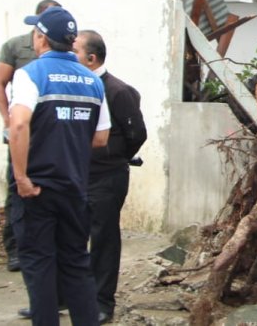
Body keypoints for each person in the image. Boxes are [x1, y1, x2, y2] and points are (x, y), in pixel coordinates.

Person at [9, 6, 110, 326]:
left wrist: (22, 177)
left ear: (41, 39)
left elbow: (19, 125)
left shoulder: (30, 74)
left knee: (39, 267)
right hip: (74, 188)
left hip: (36, 187)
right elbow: (101, 138)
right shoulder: (93, 81)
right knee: (76, 265)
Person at [75, 30, 147, 323]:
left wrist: (111, 157)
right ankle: (68, 294)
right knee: (71, 236)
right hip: (77, 176)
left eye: (75, 51)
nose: (69, 55)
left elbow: (136, 134)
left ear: (91, 59)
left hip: (107, 178)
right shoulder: (77, 87)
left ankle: (102, 301)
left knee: (102, 238)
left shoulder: (117, 91)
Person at [0, 0, 60, 271]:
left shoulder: (66, 47)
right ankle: (16, 248)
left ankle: (49, 246)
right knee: (16, 189)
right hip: (22, 131)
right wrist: (8, 120)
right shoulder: (16, 47)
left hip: (52, 135)